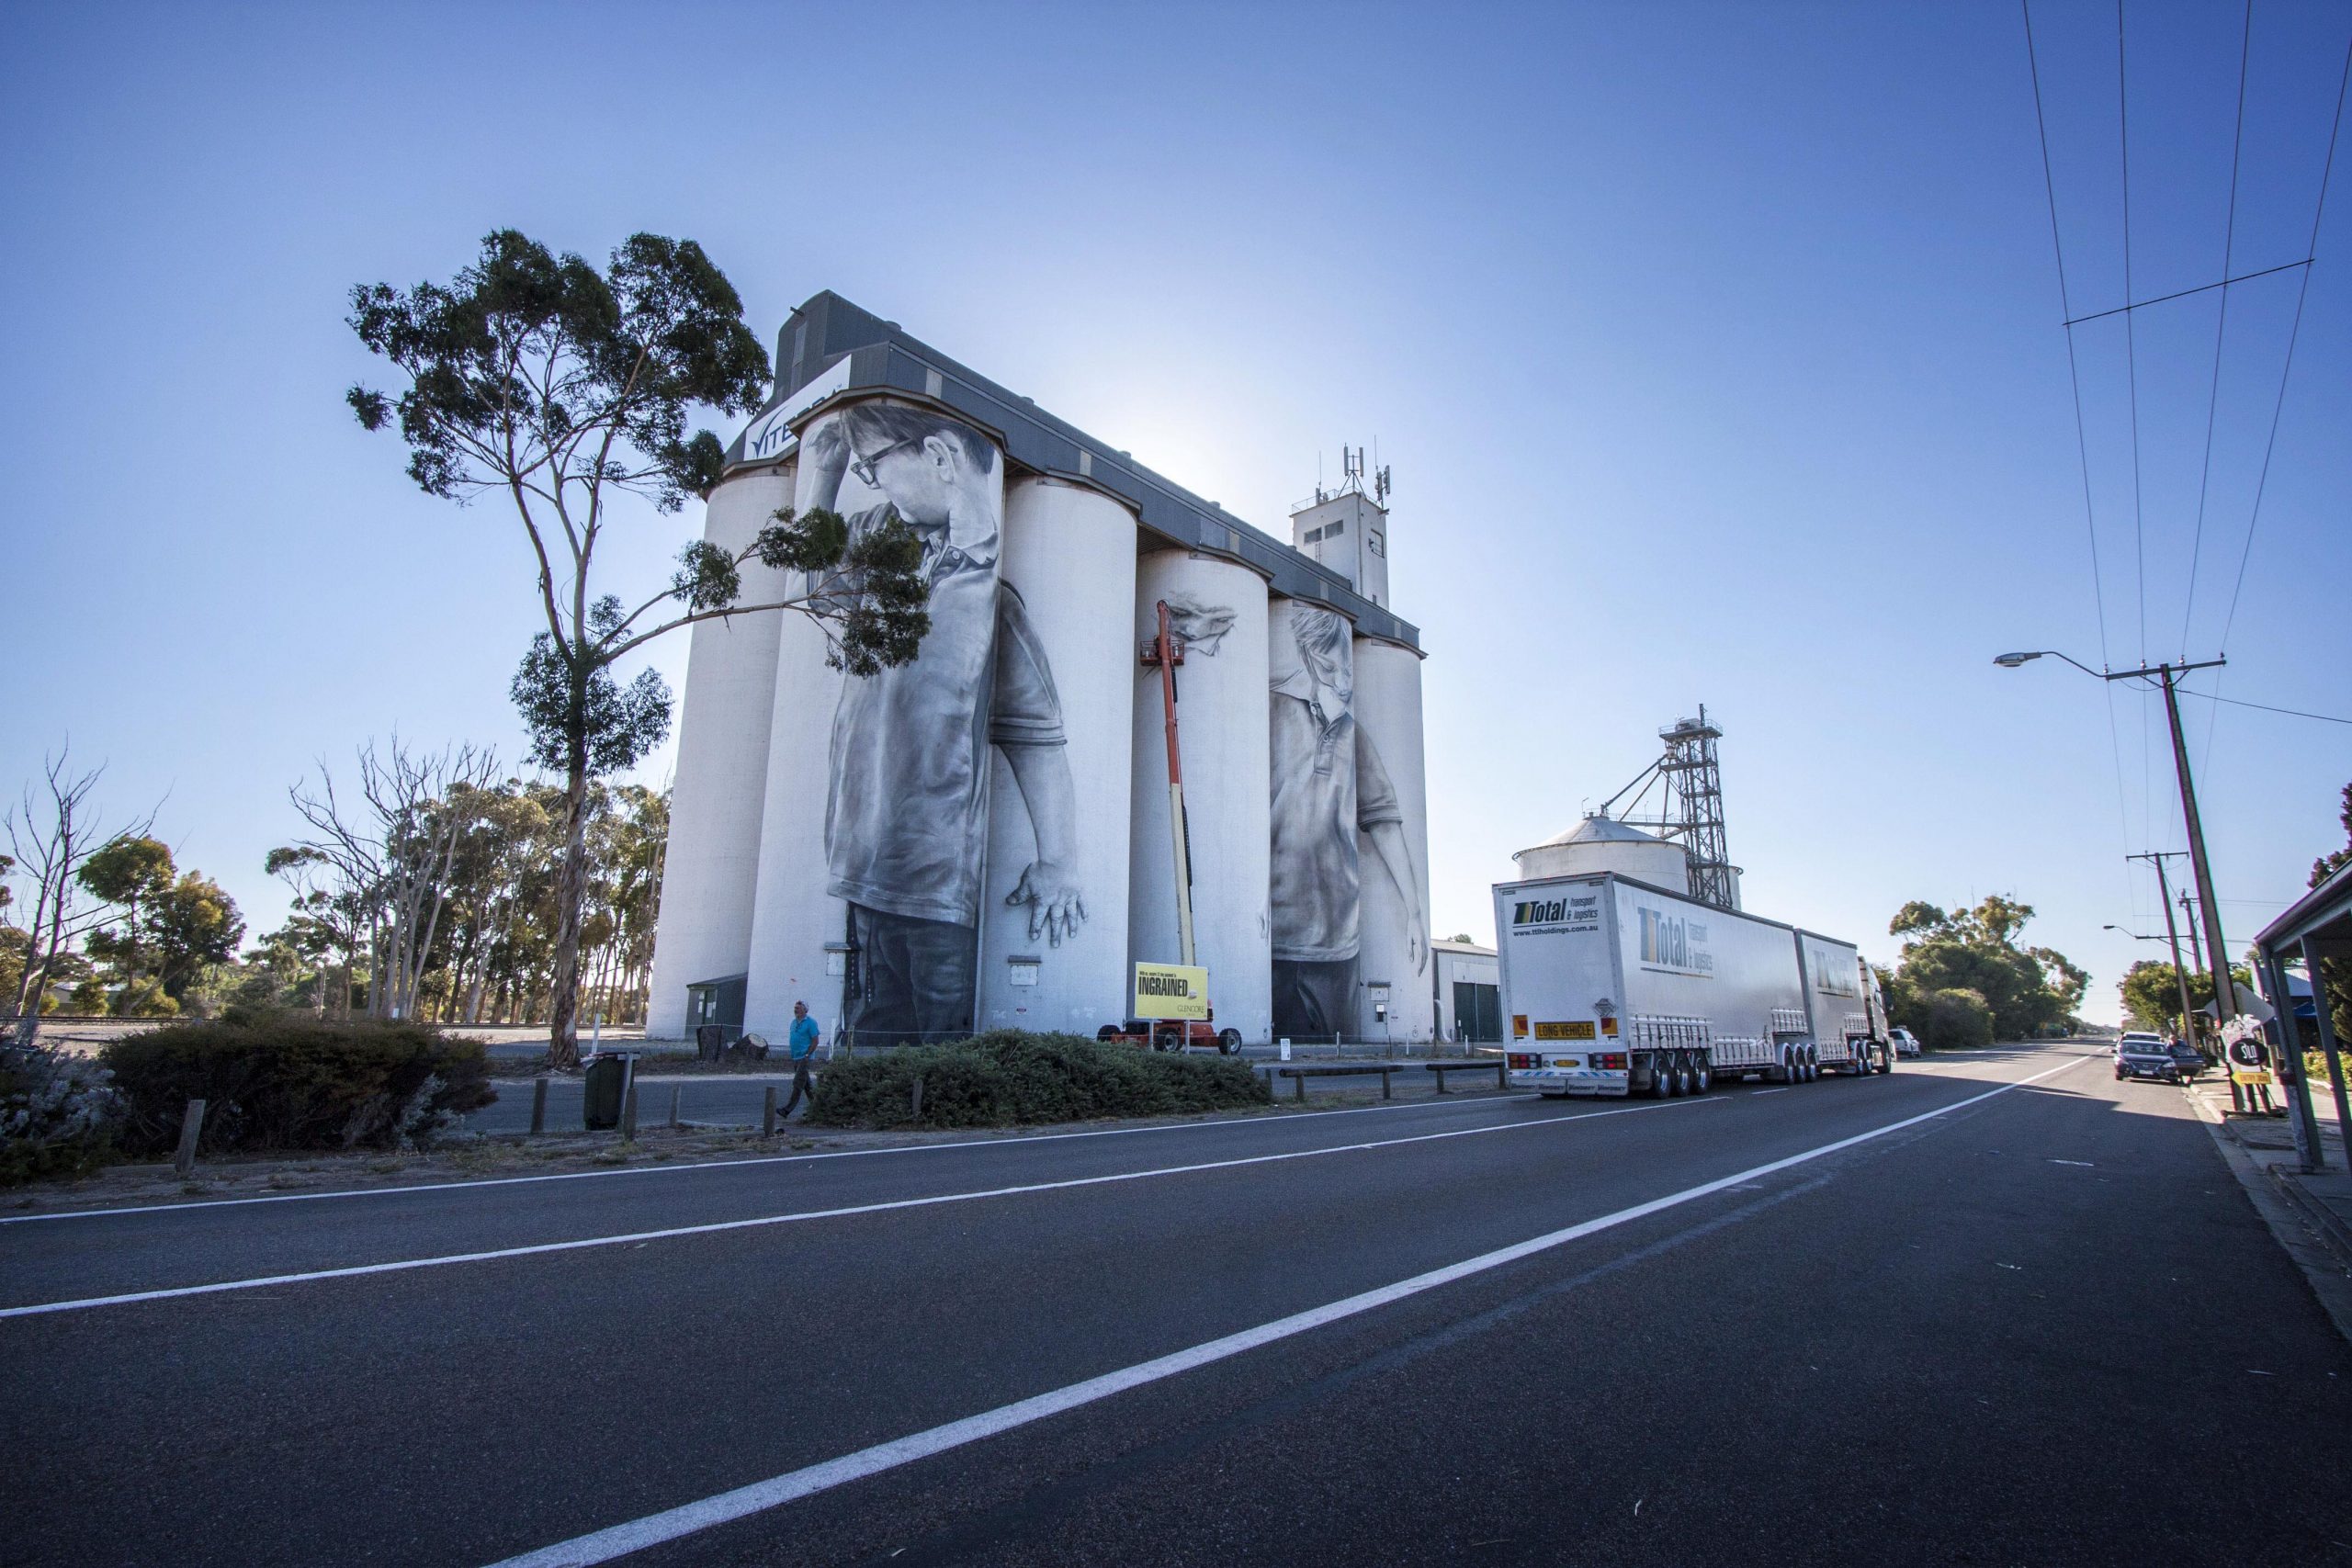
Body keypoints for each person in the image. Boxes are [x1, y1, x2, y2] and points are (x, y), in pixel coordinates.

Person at [798, 402, 1084, 1046]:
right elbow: (814, 590)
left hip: (936, 895)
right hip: (863, 869)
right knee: (872, 1049)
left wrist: (1058, 863)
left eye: (875, 468)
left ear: (939, 457)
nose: (871, 485)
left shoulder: (992, 599)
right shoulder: (884, 543)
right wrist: (824, 475)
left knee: (935, 1051)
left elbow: (1036, 740)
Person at [1267, 605, 1426, 1040]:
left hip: (1339, 945)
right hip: (1273, 939)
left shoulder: (1354, 735)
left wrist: (1414, 913)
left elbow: (1386, 824)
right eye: (1328, 663)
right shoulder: (1271, 710)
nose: (1342, 676)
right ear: (1307, 655)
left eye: (1345, 663)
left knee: (1334, 1058)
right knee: (1271, 1054)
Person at [782, 1000, 820, 1117]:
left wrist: (808, 1055)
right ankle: (817, 1108)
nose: (795, 1010)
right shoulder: (793, 1022)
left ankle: (787, 1110)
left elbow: (815, 1040)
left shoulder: (811, 1023)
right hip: (796, 1057)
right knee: (807, 1085)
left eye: (798, 1008)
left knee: (798, 1083)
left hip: (805, 1057)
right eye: (795, 1008)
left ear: (805, 1010)